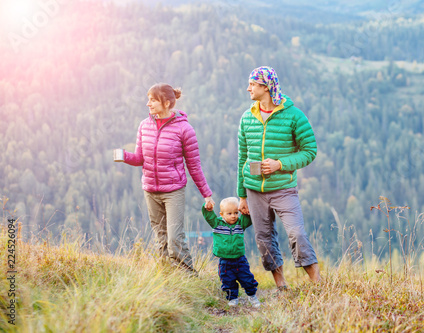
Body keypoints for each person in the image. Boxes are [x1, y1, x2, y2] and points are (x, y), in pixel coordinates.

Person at [237, 66, 321, 289]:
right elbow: (242, 158)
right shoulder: (247, 117)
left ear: (265, 87)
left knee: (297, 234)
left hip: (284, 188)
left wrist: (280, 164)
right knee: (264, 240)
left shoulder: (294, 115)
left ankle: (319, 286)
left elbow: (309, 151)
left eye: (252, 84)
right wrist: (241, 195)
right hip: (254, 190)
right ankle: (281, 287)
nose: (248, 89)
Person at [118, 83, 215, 273]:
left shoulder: (185, 130)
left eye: (153, 100)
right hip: (150, 189)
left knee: (175, 238)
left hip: (173, 191)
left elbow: (194, 166)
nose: (148, 104)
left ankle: (188, 276)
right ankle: (166, 276)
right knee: (161, 237)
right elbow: (140, 159)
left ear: (167, 102)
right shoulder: (144, 126)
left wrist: (207, 194)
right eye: (148, 99)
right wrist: (124, 156)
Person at [202, 197, 260, 307]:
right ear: (222, 214)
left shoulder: (240, 223)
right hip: (225, 260)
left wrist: (246, 211)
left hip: (240, 259)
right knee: (227, 280)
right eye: (229, 213)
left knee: (247, 278)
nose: (233, 216)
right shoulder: (217, 223)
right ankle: (232, 298)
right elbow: (208, 216)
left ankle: (252, 296)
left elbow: (249, 218)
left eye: (236, 213)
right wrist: (208, 209)